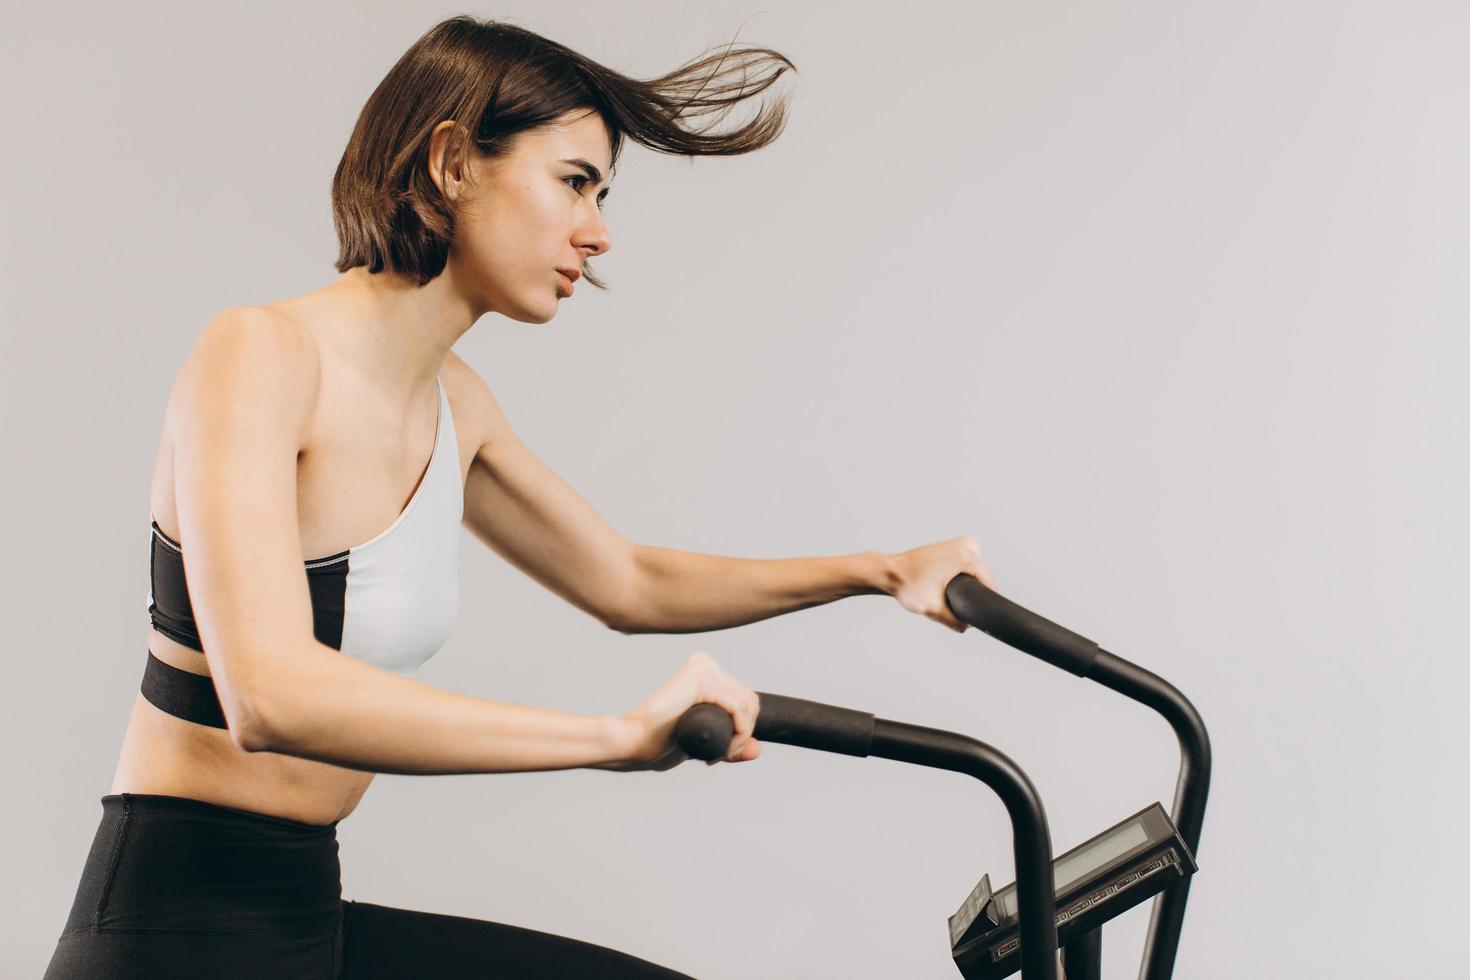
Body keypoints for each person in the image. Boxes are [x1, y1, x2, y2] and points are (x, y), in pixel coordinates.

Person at [43, 15, 997, 979]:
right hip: (171, 931)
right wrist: (615, 739)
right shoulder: (259, 355)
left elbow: (630, 581)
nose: (599, 230)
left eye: (603, 193)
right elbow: (272, 695)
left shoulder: (456, 402)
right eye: (575, 181)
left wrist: (883, 570)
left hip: (303, 909)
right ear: (455, 160)